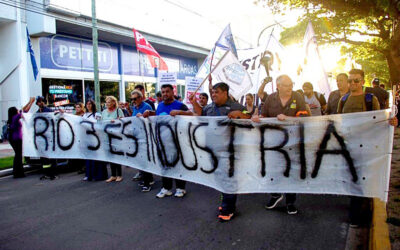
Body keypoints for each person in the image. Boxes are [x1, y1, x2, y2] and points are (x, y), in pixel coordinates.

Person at [337, 69, 397, 227]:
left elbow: (380, 120)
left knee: (363, 180)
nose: (352, 84)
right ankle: (356, 211)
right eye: (350, 81)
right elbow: (338, 121)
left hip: (366, 147)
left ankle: (358, 217)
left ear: (363, 82)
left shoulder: (370, 99)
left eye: (356, 81)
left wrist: (391, 122)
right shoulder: (343, 99)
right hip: (349, 147)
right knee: (352, 179)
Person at [190, 82, 250, 222]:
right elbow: (201, 115)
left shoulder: (237, 107)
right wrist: (194, 102)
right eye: (212, 92)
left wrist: (240, 114)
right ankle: (226, 202)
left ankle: (228, 208)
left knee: (228, 178)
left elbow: (250, 118)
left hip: (230, 150)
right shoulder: (209, 108)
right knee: (220, 177)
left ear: (225, 93)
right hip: (213, 150)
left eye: (217, 92)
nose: (213, 94)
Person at [252, 75, 309, 215]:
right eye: (286, 85)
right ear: (278, 86)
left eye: (291, 84)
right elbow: (264, 117)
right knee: (273, 168)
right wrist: (257, 118)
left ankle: (290, 202)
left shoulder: (298, 97)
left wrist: (288, 118)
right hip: (274, 143)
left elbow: (305, 117)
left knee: (291, 170)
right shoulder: (271, 98)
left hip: (293, 142)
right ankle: (275, 195)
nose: (290, 87)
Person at [143, 84, 192, 198]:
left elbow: (192, 115)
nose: (165, 94)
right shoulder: (159, 106)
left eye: (167, 91)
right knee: (164, 165)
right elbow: (158, 116)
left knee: (178, 165)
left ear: (172, 92)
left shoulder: (180, 105)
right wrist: (149, 113)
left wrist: (180, 112)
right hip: (162, 142)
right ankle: (166, 188)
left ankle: (180, 188)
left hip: (177, 142)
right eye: (163, 92)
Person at [130, 90, 154, 192]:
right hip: (138, 136)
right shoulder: (135, 108)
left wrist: (143, 117)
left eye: (135, 99)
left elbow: (152, 119)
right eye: (132, 99)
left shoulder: (147, 106)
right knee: (141, 159)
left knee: (145, 160)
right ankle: (148, 179)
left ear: (140, 98)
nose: (133, 101)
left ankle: (147, 182)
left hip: (146, 136)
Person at [7, 97, 35, 178]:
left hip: (14, 138)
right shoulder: (15, 117)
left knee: (17, 155)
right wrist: (31, 103)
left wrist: (29, 102)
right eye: (16, 109)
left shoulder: (13, 118)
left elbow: (22, 110)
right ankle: (18, 173)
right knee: (18, 156)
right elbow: (25, 111)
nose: (18, 110)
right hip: (17, 139)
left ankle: (17, 172)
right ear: (14, 112)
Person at [82, 100, 108, 181]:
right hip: (88, 137)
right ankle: (89, 174)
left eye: (90, 104)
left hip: (96, 137)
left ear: (93, 105)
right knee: (89, 156)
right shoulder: (84, 115)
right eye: (87, 104)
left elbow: (99, 125)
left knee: (97, 157)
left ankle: (98, 175)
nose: (88, 105)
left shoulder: (97, 114)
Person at [102, 96, 125, 183]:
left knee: (116, 155)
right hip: (107, 136)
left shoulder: (118, 111)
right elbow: (101, 121)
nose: (107, 104)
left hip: (116, 136)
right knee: (110, 156)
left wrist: (116, 120)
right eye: (106, 102)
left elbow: (123, 121)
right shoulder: (104, 112)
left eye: (109, 102)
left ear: (113, 103)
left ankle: (119, 175)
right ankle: (113, 175)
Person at [36, 96, 58, 180]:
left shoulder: (49, 111)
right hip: (42, 138)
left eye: (42, 101)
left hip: (49, 136)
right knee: (44, 157)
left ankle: (54, 173)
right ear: (37, 103)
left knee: (52, 156)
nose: (40, 103)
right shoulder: (37, 112)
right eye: (39, 102)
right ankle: (46, 173)